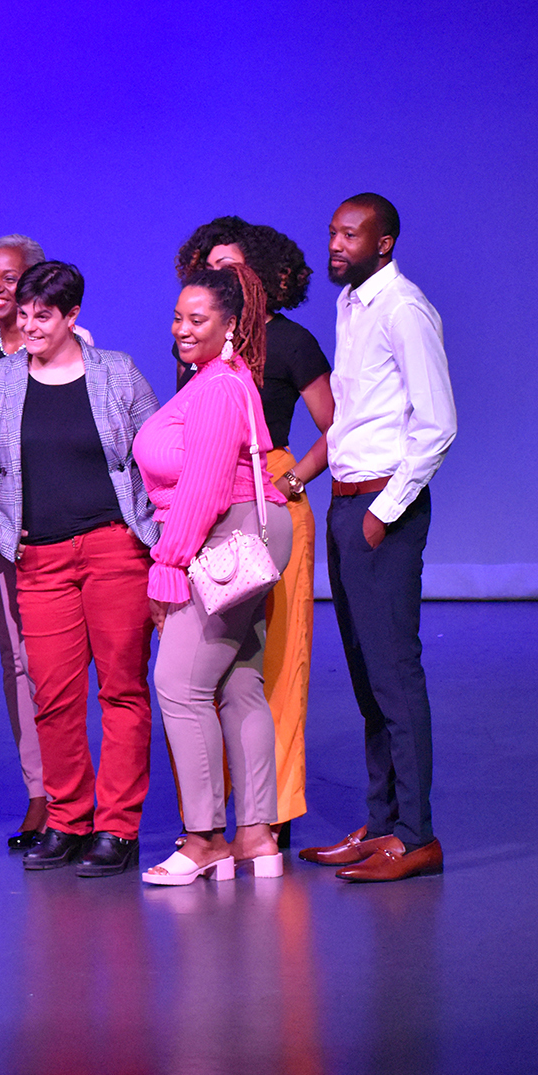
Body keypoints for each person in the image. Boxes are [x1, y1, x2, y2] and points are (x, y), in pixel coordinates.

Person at [0, 261, 160, 878]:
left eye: (42, 316)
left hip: (114, 550)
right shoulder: (1, 381)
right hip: (42, 557)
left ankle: (117, 827)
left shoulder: (116, 373)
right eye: (21, 315)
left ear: (72, 316)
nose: (28, 326)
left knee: (122, 688)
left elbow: (157, 458)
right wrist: (6, 529)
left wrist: (156, 541)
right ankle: (69, 818)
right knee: (51, 692)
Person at [299, 193, 455, 883]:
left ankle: (416, 836)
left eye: (351, 234)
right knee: (366, 677)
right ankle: (384, 821)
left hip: (381, 511)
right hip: (347, 502)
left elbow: (438, 423)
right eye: (334, 231)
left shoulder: (404, 309)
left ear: (384, 242)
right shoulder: (353, 304)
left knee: (394, 675)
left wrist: (382, 511)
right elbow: (356, 415)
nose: (336, 243)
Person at [174, 221, 334, 842]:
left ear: (262, 276)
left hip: (270, 505)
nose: (220, 277)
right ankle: (226, 811)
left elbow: (337, 425)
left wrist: (294, 480)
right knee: (220, 664)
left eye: (232, 267)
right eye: (208, 268)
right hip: (212, 503)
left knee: (276, 659)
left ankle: (274, 811)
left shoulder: (292, 343)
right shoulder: (200, 347)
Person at [134, 264, 295, 885]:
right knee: (238, 682)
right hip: (240, 533)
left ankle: (204, 841)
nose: (182, 329)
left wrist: (167, 564)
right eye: (178, 317)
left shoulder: (220, 388)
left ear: (230, 325)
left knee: (178, 682)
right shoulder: (216, 381)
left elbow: (201, 488)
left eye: (197, 319)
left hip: (223, 536)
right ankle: (256, 836)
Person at [0, 234, 93, 850]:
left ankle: (83, 794)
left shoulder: (77, 345)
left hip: (64, 520)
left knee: (68, 665)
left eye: (10, 278)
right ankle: (44, 792)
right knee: (19, 661)